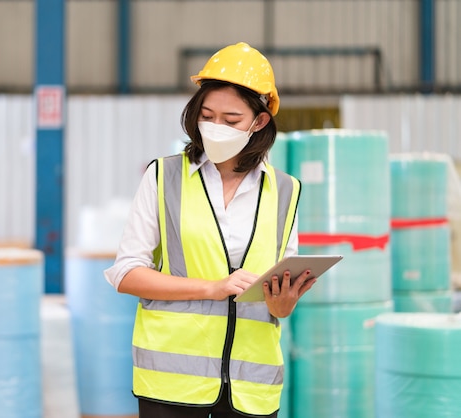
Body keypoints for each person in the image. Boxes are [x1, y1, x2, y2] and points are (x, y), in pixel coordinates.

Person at [104, 42, 317, 418]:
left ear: (259, 121)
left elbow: (279, 305)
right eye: (207, 115)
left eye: (231, 120)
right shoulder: (164, 177)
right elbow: (126, 273)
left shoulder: (286, 191)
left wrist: (284, 302)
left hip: (251, 386)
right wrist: (212, 288)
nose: (216, 128)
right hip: (171, 383)